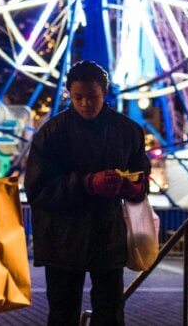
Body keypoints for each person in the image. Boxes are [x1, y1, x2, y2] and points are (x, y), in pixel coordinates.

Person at [25, 61, 151, 326]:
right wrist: (88, 183)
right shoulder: (51, 133)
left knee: (110, 312)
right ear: (69, 95)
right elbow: (37, 189)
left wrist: (134, 187)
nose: (85, 104)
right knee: (63, 313)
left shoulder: (128, 132)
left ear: (104, 94)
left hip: (106, 235)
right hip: (62, 238)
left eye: (92, 97)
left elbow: (141, 178)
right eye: (78, 97)